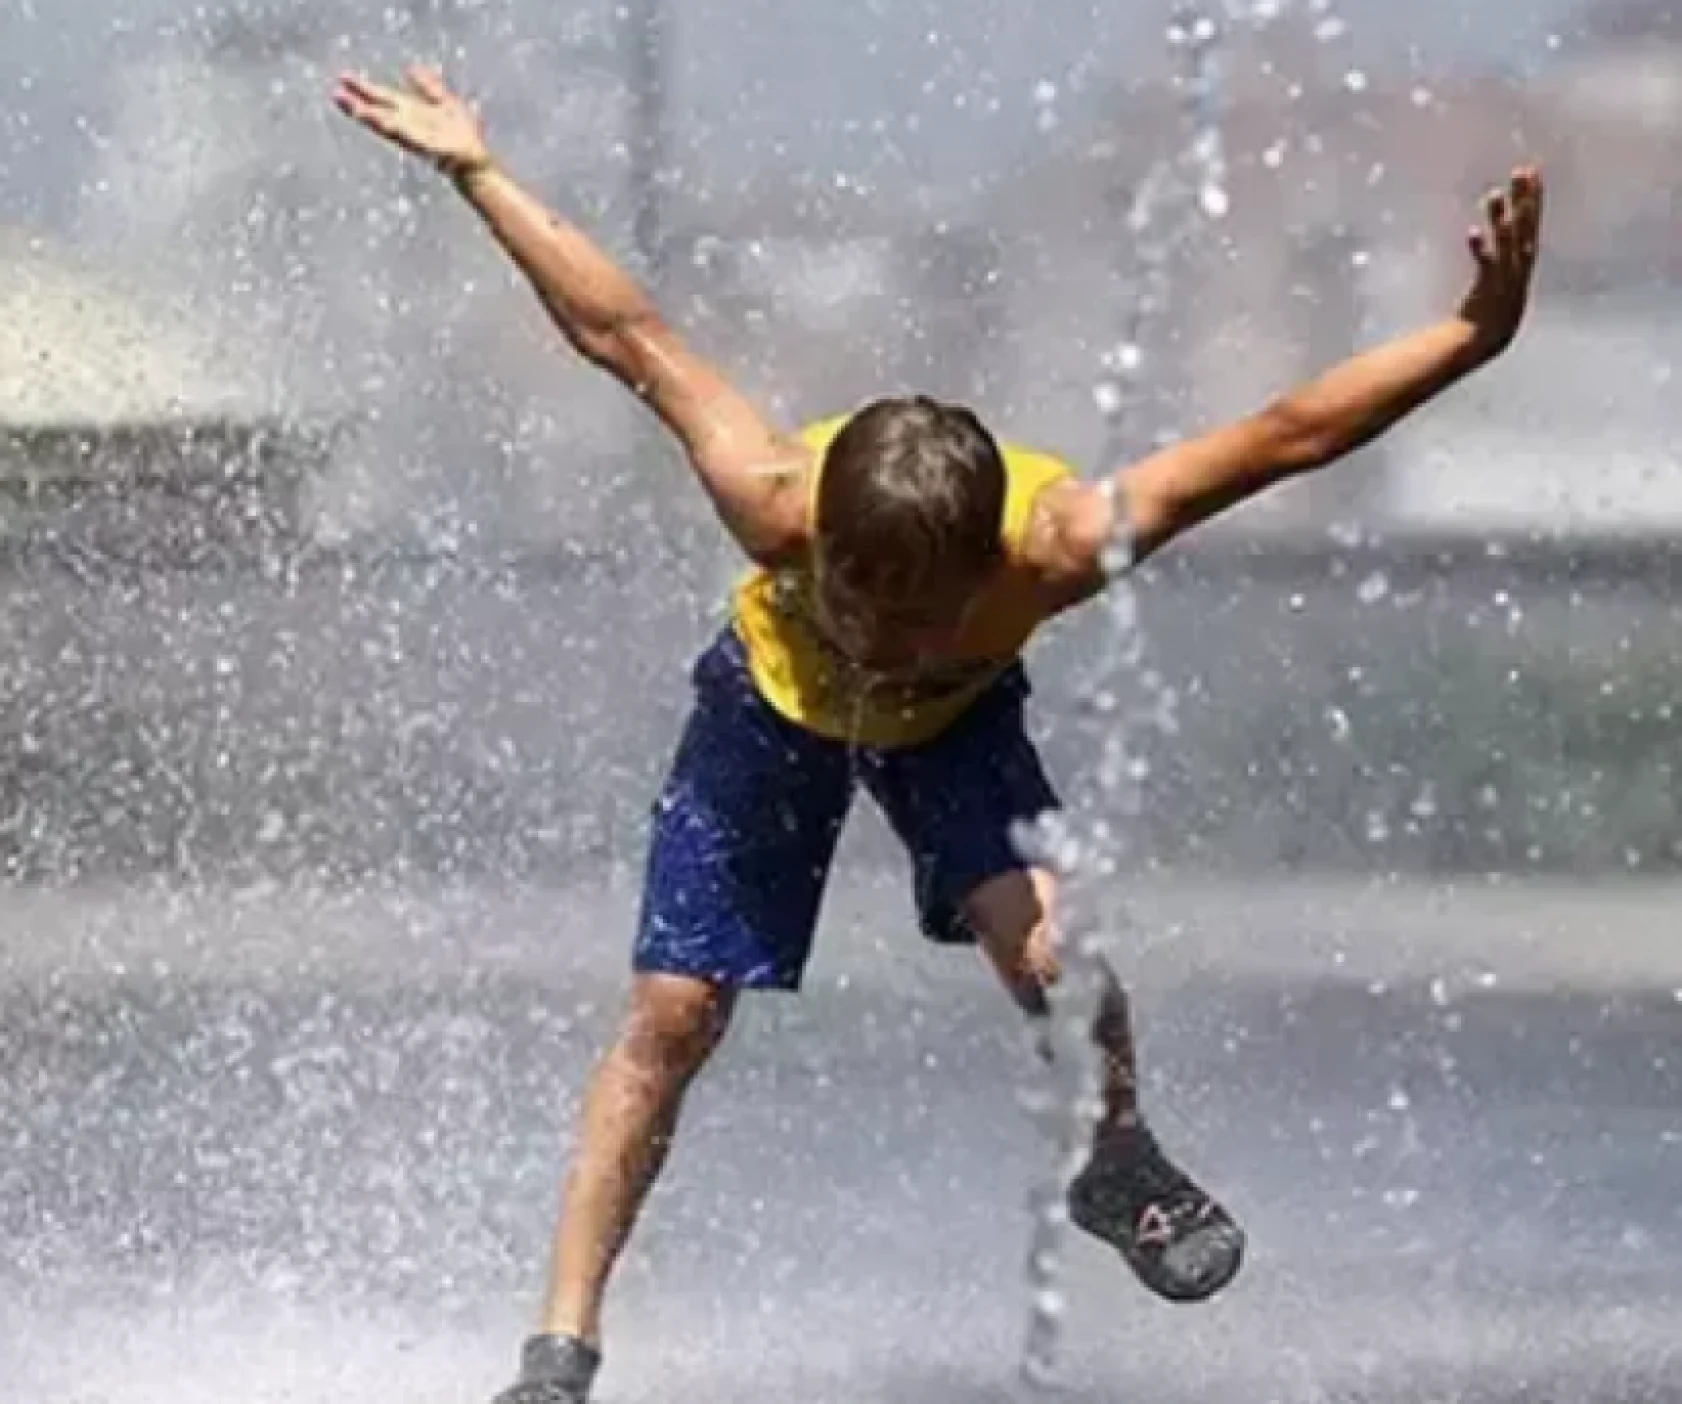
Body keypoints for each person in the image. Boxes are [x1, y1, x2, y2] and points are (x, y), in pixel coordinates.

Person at [332, 64, 1544, 1404]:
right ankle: (558, 1355)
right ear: (821, 548)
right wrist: (478, 171)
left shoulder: (1062, 543)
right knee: (672, 1016)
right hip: (767, 710)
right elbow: (624, 333)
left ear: (988, 569)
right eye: (856, 600)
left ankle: (1116, 1162)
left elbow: (1283, 436)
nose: (879, 636)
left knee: (1057, 957)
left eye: (920, 612)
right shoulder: (773, 497)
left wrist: (1467, 337)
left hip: (957, 730)